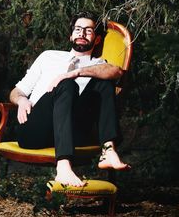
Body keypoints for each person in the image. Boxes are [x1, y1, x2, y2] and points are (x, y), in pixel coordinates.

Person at [9, 11, 130, 187]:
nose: (82, 33)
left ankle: (108, 150)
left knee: (103, 83)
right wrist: (21, 100)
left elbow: (117, 72)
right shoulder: (48, 56)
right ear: (71, 35)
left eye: (88, 31)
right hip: (35, 130)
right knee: (67, 85)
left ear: (96, 39)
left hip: (74, 132)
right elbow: (16, 91)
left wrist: (76, 72)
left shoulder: (99, 64)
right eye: (78, 29)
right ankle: (64, 167)